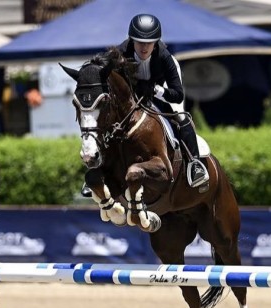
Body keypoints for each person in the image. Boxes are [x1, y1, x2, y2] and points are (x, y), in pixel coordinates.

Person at [81, 13, 208, 197]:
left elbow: (177, 95)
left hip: (162, 90)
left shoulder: (165, 58)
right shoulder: (121, 52)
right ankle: (99, 173)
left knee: (181, 117)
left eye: (149, 43)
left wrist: (155, 90)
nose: (144, 47)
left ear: (156, 42)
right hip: (134, 94)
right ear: (132, 40)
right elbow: (100, 66)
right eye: (140, 42)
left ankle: (195, 165)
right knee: (107, 125)